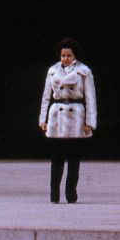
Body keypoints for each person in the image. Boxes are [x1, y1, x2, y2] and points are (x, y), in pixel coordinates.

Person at [39, 38, 97, 203]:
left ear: (74, 56)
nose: (65, 58)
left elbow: (91, 98)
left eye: (68, 55)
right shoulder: (52, 71)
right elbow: (45, 97)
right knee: (56, 158)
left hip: (76, 116)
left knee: (73, 158)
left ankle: (71, 193)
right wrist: (43, 119)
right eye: (62, 55)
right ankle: (54, 194)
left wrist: (89, 122)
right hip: (57, 115)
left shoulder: (84, 71)